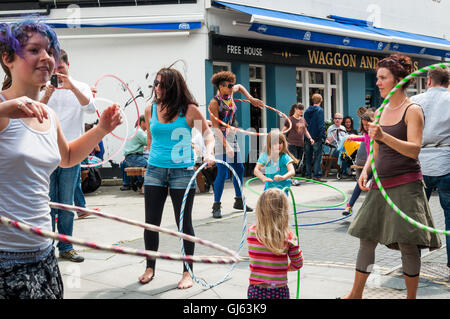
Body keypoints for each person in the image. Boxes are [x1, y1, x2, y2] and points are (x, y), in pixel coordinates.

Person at [0, 20, 121, 299]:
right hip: (6, 259)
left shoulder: (48, 114)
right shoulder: (3, 111)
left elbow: (66, 157)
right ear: (7, 59)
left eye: (50, 50)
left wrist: (101, 129)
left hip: (44, 252)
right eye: (34, 50)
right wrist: (5, 108)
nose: (47, 58)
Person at [343, 54, 441, 299]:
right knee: (366, 239)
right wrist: (365, 171)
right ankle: (355, 294)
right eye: (377, 78)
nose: (377, 82)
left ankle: (410, 298)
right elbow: (375, 151)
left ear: (399, 80)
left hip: (406, 186)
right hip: (380, 185)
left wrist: (385, 136)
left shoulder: (412, 110)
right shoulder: (381, 110)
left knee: (408, 245)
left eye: (382, 78)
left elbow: (414, 149)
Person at [139, 66, 215, 289]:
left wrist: (208, 152)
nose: (157, 88)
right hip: (155, 171)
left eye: (162, 84)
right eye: (156, 83)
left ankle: (187, 272)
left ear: (173, 87)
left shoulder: (188, 110)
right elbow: (150, 140)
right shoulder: (150, 109)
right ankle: (150, 267)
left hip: (182, 172)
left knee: (184, 224)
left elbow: (208, 134)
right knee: (151, 223)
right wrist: (148, 166)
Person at [40, 48, 97, 263]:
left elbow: (91, 108)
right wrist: (47, 92)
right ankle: (46, 247)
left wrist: (71, 86)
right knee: (46, 202)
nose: (58, 73)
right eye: (54, 70)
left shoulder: (80, 86)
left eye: (61, 68)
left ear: (68, 65)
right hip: (45, 151)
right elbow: (34, 110)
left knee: (65, 202)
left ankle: (65, 246)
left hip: (71, 152)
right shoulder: (42, 87)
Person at [209, 71, 264, 218]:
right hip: (221, 136)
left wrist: (251, 99)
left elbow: (239, 87)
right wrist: (226, 145)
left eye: (231, 85)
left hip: (231, 134)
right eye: (229, 85)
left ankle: (239, 200)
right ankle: (216, 205)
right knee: (222, 171)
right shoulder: (214, 103)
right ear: (220, 86)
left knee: (239, 168)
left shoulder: (231, 93)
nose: (232, 87)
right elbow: (215, 127)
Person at [411, 66, 450, 269]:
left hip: (419, 164)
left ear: (428, 81)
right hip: (446, 163)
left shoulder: (415, 101)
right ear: (448, 83)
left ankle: (412, 259)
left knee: (415, 216)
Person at [247, 188, 303, 299]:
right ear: (284, 211)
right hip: (279, 290)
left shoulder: (252, 232)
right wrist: (284, 268)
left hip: (256, 290)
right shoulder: (289, 237)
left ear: (260, 210)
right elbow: (298, 263)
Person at [341, 110, 375, 216]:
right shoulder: (366, 133)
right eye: (363, 125)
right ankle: (349, 206)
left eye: (367, 125)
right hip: (370, 163)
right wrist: (352, 138)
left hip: (380, 163)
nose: (365, 127)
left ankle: (371, 211)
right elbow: (364, 138)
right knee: (360, 183)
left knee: (376, 187)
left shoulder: (377, 133)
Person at [253, 130, 297, 194]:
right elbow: (256, 170)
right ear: (270, 144)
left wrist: (283, 177)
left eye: (280, 143)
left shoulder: (285, 157)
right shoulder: (265, 156)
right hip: (269, 188)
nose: (278, 145)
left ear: (283, 143)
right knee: (267, 203)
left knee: (280, 204)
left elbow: (292, 171)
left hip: (283, 189)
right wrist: (263, 178)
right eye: (275, 143)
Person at [283, 103, 314, 186]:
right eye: (300, 109)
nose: (301, 111)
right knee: (293, 161)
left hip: (300, 144)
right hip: (291, 143)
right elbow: (284, 130)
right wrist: (279, 136)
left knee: (298, 162)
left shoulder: (303, 119)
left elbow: (305, 131)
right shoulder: (290, 119)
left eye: (302, 109)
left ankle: (289, 177)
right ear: (295, 109)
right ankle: (293, 179)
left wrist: (310, 138)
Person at [120, 114, 148, 193]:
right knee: (151, 165)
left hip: (131, 157)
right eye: (148, 122)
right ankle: (143, 184)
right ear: (142, 122)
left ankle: (139, 182)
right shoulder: (139, 132)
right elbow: (149, 142)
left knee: (145, 165)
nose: (149, 124)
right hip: (134, 157)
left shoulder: (135, 130)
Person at [303, 93, 327, 182]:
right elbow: (321, 125)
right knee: (317, 157)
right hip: (317, 137)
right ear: (321, 101)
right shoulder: (320, 111)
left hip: (308, 136)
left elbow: (305, 124)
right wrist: (323, 136)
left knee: (308, 156)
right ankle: (317, 175)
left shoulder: (306, 111)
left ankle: (308, 174)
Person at [326, 112, 350, 179]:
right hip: (334, 149)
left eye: (339, 118)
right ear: (333, 120)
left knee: (349, 152)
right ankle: (343, 172)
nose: (337, 120)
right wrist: (336, 133)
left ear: (342, 120)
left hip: (343, 148)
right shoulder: (331, 128)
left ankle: (347, 170)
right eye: (336, 118)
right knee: (343, 153)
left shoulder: (343, 128)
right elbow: (329, 141)